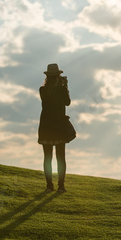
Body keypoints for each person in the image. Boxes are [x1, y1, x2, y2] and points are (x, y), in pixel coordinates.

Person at [37, 63, 71, 193]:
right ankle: (61, 186)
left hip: (46, 126)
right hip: (58, 126)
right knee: (60, 157)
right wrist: (65, 86)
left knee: (47, 158)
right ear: (58, 76)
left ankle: (49, 186)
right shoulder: (61, 89)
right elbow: (67, 102)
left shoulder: (42, 90)